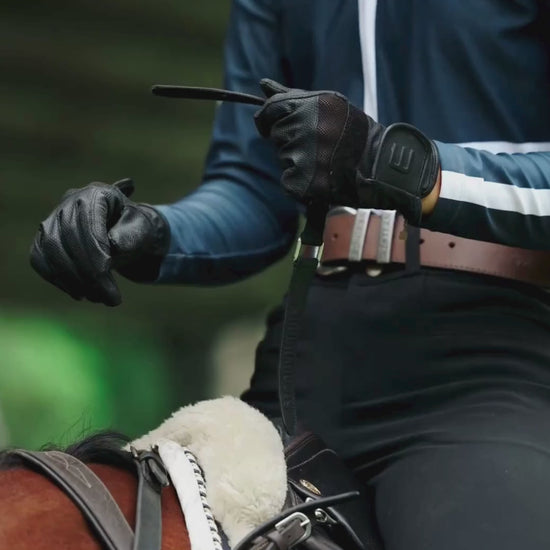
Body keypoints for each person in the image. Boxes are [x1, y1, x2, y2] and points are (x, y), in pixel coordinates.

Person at [30, 1, 550, 548]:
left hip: (489, 361)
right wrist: (152, 233)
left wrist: (401, 164)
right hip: (307, 361)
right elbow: (252, 189)